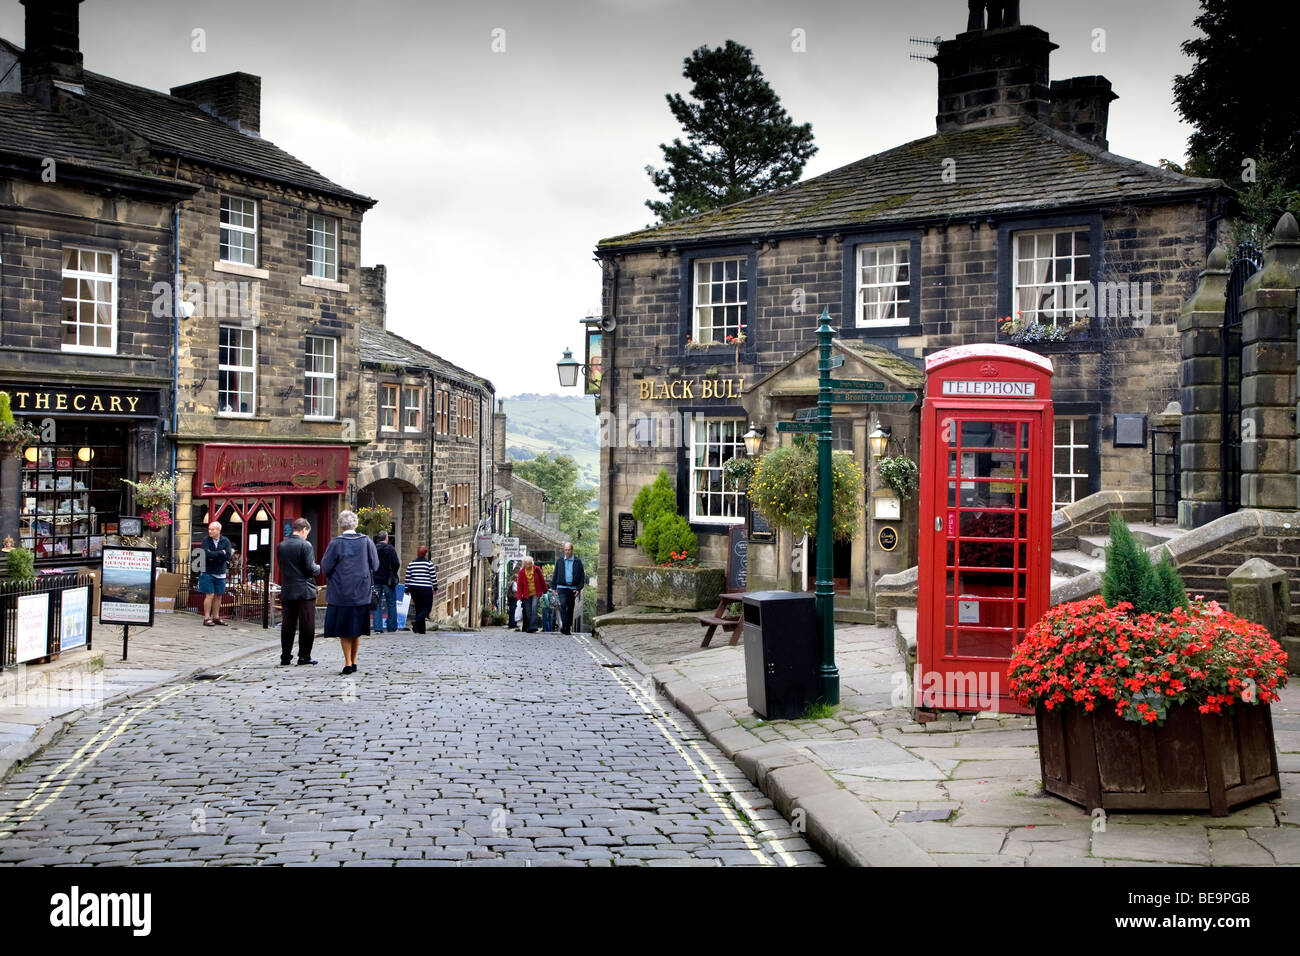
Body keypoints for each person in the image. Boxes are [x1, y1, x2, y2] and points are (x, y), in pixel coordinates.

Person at [321, 509, 379, 675]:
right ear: (356, 524)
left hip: (341, 593)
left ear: (340, 525)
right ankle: (353, 661)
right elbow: (375, 565)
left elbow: (326, 567)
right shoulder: (366, 541)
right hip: (361, 592)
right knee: (356, 629)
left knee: (344, 630)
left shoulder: (336, 543)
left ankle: (348, 662)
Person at [276, 518, 320, 665]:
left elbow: (281, 567)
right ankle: (304, 656)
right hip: (304, 591)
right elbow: (310, 569)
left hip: (288, 589)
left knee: (288, 624)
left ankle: (285, 656)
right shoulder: (305, 545)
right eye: (307, 533)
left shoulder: (281, 546)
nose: (307, 535)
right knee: (307, 624)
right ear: (304, 530)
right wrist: (318, 568)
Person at [198, 521, 234, 627]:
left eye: (212, 529)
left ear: (218, 530)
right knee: (209, 594)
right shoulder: (206, 540)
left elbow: (228, 555)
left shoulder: (225, 541)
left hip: (220, 571)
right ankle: (207, 617)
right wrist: (220, 553)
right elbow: (206, 553)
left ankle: (216, 617)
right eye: (209, 529)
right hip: (207, 571)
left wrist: (214, 556)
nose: (210, 531)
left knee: (218, 595)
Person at [550, 541, 586, 635]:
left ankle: (567, 627)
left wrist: (578, 589)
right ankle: (565, 625)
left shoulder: (577, 562)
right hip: (561, 587)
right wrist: (553, 587)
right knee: (563, 604)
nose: (567, 552)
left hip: (573, 588)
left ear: (572, 550)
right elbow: (555, 574)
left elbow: (582, 576)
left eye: (569, 550)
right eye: (565, 550)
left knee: (570, 608)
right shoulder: (560, 560)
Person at [372, 530, 400, 633]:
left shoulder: (373, 548)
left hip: (375, 579)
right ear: (386, 538)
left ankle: (378, 628)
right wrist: (393, 572)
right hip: (388, 580)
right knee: (391, 603)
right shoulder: (390, 549)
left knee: (376, 603)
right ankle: (392, 627)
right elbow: (396, 563)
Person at [404, 545, 437, 634]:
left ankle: (420, 630)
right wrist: (435, 587)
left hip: (414, 589)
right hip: (425, 589)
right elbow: (433, 577)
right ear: (425, 554)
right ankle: (416, 621)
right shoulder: (428, 564)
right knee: (427, 608)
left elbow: (407, 577)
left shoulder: (412, 563)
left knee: (419, 608)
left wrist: (406, 589)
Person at [515, 555, 546, 634]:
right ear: (524, 564)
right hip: (526, 594)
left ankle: (533, 626)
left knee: (534, 607)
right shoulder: (522, 572)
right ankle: (529, 626)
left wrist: (545, 590)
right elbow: (519, 585)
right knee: (528, 611)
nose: (528, 565)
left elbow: (542, 580)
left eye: (530, 563)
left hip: (536, 592)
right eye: (527, 564)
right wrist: (519, 597)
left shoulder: (537, 569)